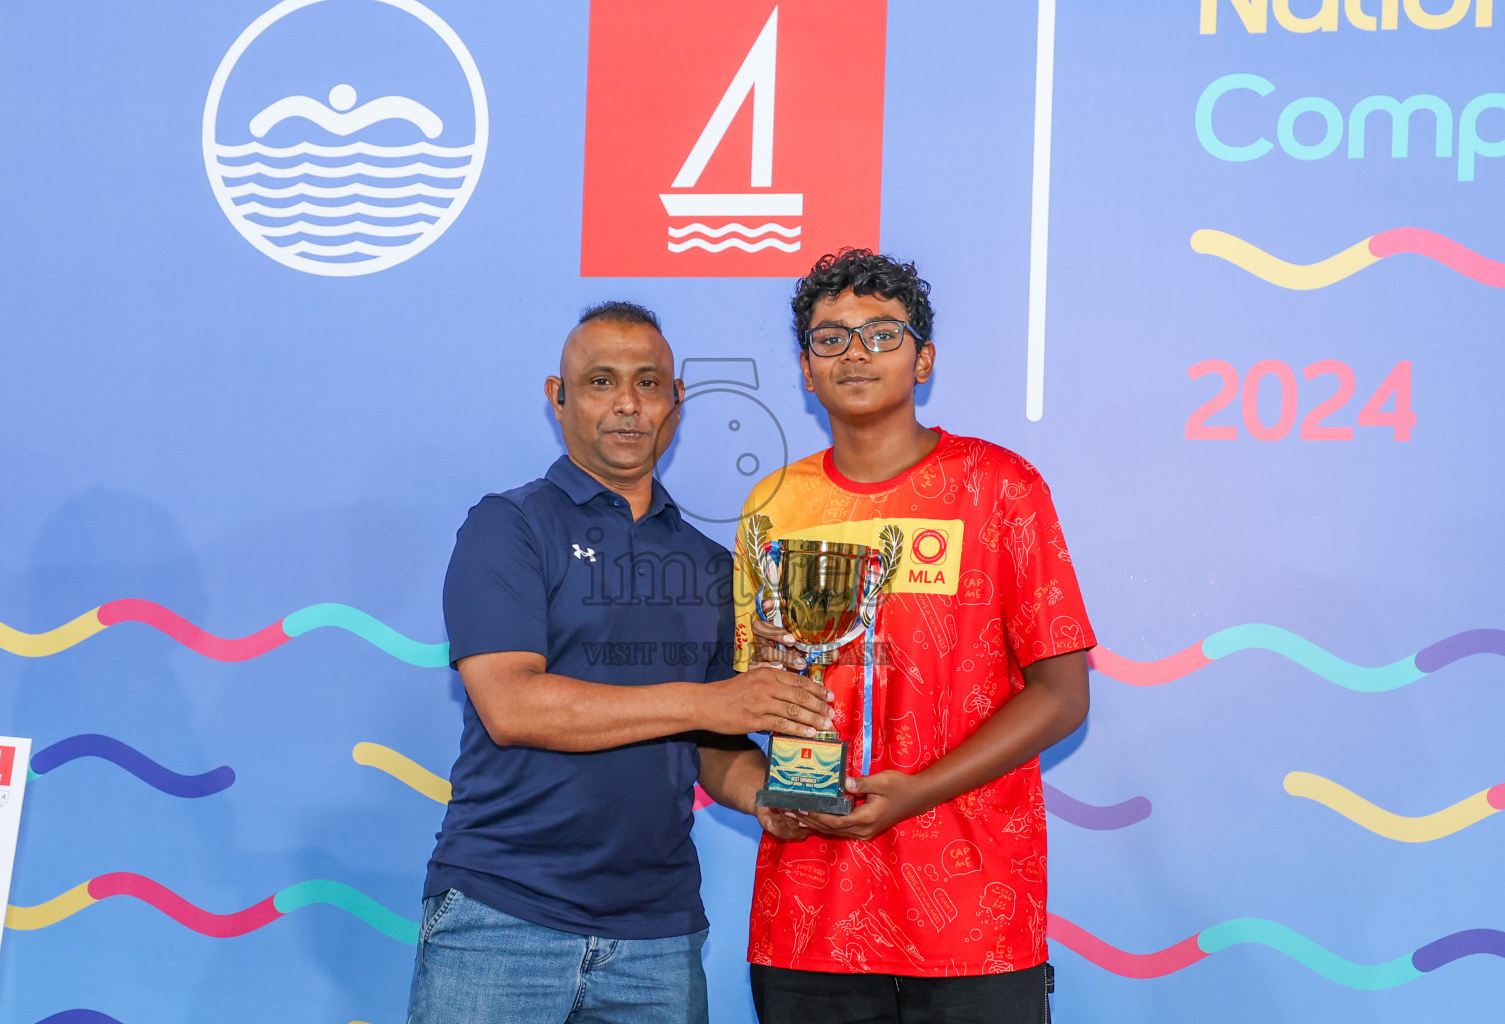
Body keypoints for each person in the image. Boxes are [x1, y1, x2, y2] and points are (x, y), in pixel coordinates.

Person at [408, 301, 833, 1024]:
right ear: (559, 395)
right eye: (601, 381)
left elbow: (710, 750)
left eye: (649, 382)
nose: (628, 404)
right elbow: (511, 707)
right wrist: (709, 705)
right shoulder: (510, 525)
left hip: (658, 940)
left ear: (677, 401)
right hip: (501, 918)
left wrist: (783, 797)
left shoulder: (711, 564)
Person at [734, 251, 1096, 1024]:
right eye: (830, 338)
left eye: (881, 333)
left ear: (923, 358)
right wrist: (777, 778)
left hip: (972, 918)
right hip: (809, 917)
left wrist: (915, 793)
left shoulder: (1001, 486)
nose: (855, 352)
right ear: (805, 368)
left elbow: (1063, 698)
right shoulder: (774, 503)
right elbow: (752, 693)